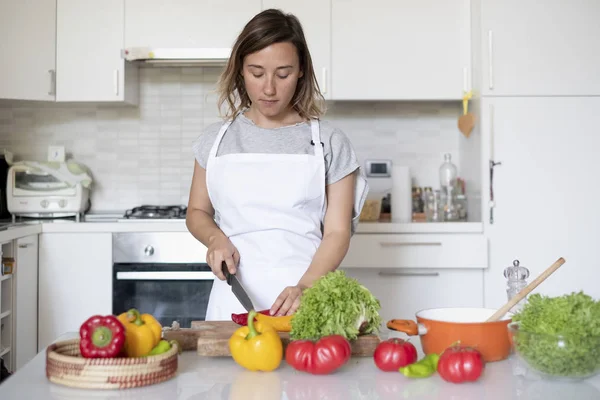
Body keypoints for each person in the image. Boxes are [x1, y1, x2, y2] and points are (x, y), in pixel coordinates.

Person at [186, 8, 368, 321]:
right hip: (231, 304)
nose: (269, 88)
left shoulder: (330, 142)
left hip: (306, 301)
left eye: (282, 74)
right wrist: (215, 239)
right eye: (257, 73)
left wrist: (307, 286)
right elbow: (197, 212)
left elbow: (338, 233)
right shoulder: (214, 141)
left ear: (300, 71)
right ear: (241, 70)